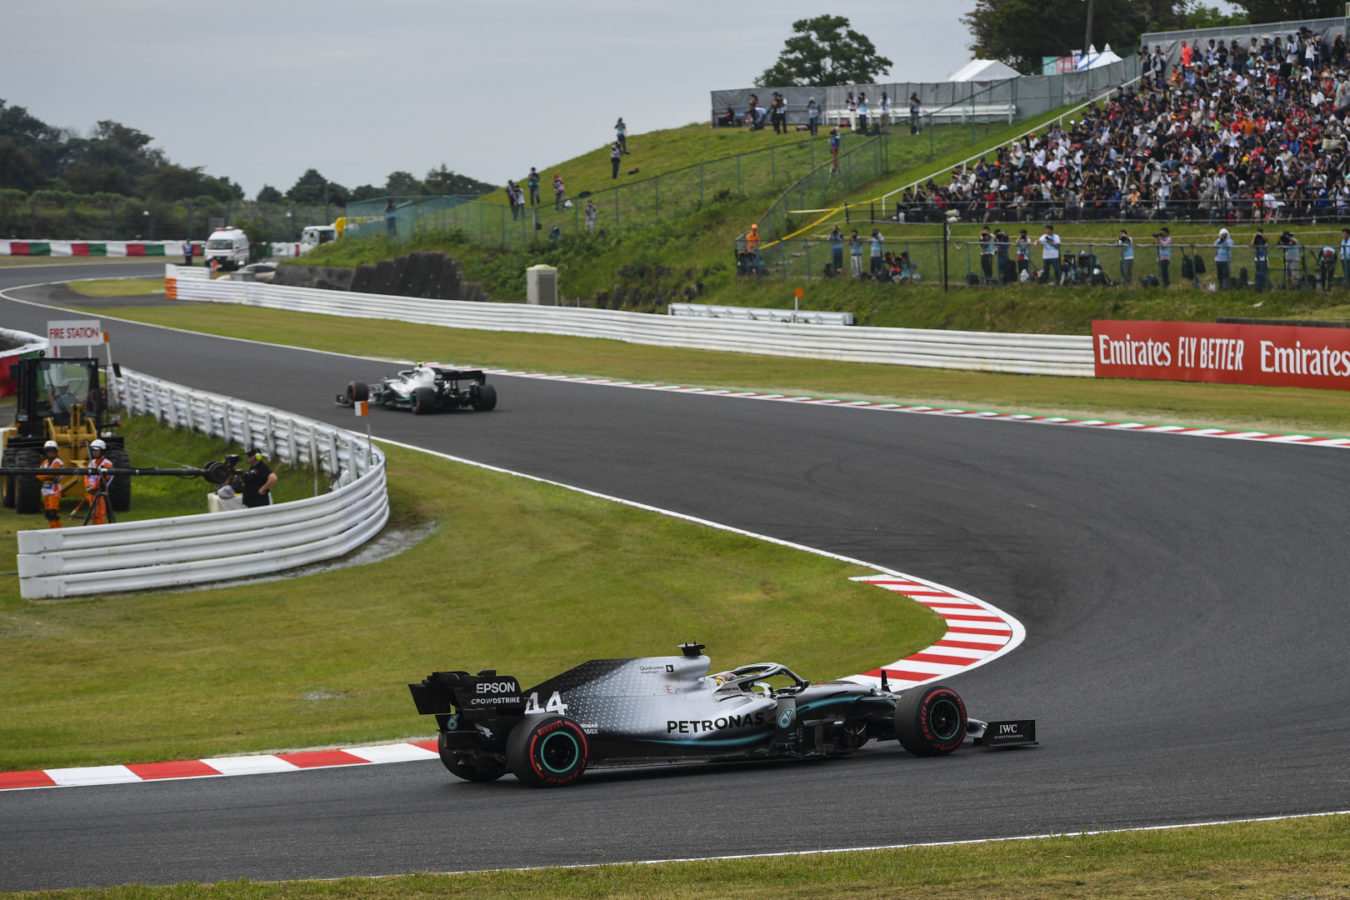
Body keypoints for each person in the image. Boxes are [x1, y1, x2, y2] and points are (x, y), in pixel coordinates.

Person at [83, 438, 114, 525]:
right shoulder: (91, 463)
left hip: (100, 492)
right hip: (91, 492)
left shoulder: (107, 464)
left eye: (97, 451)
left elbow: (103, 479)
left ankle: (101, 529)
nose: (94, 452)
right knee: (93, 513)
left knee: (100, 514)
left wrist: (93, 487)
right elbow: (86, 476)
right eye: (93, 450)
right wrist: (87, 486)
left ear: (102, 451)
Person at [38, 439, 64, 529]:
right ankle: (51, 529)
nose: (50, 453)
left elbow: (52, 474)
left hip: (54, 489)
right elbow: (39, 475)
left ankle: (57, 529)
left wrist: (45, 476)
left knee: (54, 512)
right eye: (48, 451)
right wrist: (46, 476)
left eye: (52, 451)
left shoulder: (58, 462)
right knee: (48, 513)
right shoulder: (45, 462)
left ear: (55, 452)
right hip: (46, 489)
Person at [1252, 227, 1269, 292]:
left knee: (1263, 272)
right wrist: (1254, 237)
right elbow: (1252, 244)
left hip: (1263, 258)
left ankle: (1264, 285)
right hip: (1257, 258)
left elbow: (1266, 242)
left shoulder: (1264, 239)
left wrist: (1261, 236)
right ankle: (1258, 284)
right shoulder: (1256, 239)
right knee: (1257, 271)